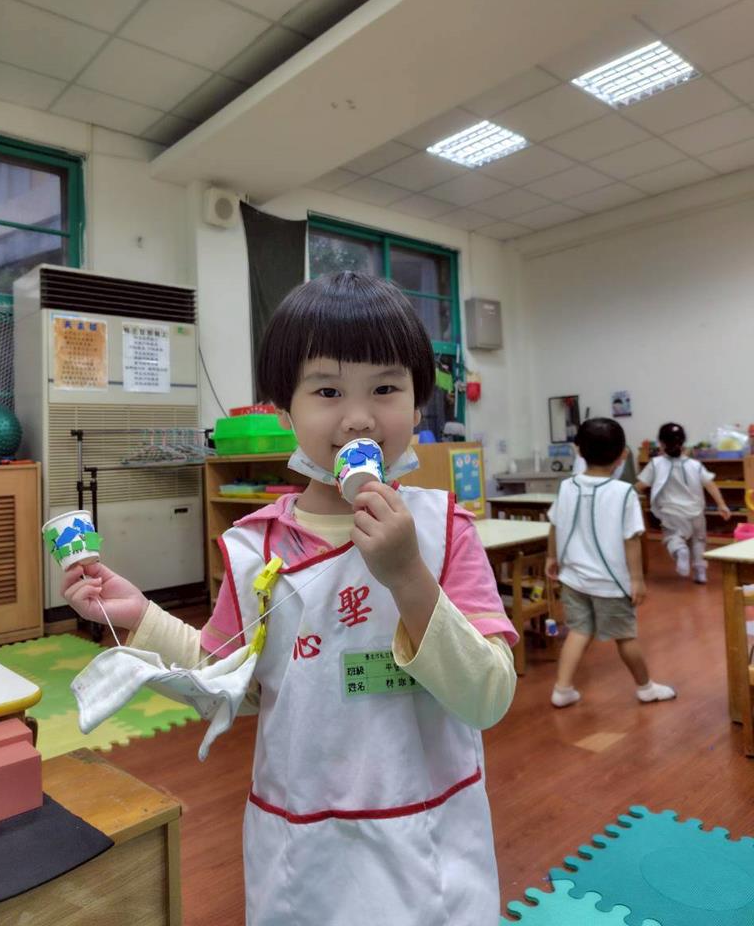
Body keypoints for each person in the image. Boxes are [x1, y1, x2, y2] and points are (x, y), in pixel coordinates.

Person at [62, 271, 518, 925]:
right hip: (302, 844)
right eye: (328, 390)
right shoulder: (255, 547)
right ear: (284, 413)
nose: (359, 417)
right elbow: (232, 683)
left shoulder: (446, 531)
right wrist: (142, 619)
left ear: (419, 406)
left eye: (386, 388)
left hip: (430, 840)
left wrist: (407, 575)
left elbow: (488, 698)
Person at [546, 418, 676, 709]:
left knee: (579, 631)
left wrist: (551, 557)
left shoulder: (566, 486)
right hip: (610, 584)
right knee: (625, 637)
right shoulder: (624, 492)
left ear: (578, 450)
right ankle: (646, 688)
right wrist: (637, 579)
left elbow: (554, 525)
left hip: (573, 579)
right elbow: (632, 539)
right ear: (623, 455)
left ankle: (562, 689)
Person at [635, 422, 731, 584]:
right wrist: (721, 504)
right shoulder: (695, 465)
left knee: (673, 538)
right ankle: (700, 573)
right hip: (696, 513)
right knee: (698, 541)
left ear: (661, 444)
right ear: (684, 443)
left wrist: (627, 492)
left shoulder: (656, 464)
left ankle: (680, 551)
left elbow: (641, 485)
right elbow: (710, 484)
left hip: (672, 514)